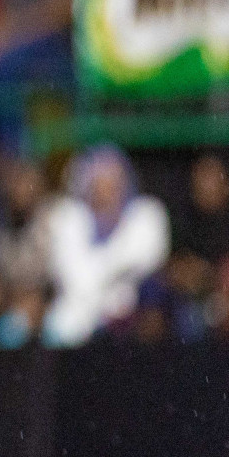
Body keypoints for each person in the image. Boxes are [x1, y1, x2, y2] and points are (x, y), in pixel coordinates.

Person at [43, 145, 169, 347]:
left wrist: (102, 275)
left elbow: (150, 257)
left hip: (131, 314)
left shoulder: (147, 213)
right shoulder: (68, 218)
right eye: (101, 184)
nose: (109, 192)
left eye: (115, 184)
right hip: (77, 319)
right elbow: (74, 281)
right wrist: (114, 271)